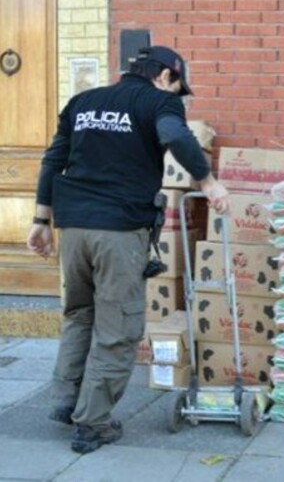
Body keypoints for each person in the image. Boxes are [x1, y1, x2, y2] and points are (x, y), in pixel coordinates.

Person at [26, 46, 230, 454]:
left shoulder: (83, 102)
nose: (177, 96)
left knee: (79, 315)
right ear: (166, 75)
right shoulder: (158, 102)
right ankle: (93, 424)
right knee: (117, 327)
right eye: (178, 87)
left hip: (74, 228)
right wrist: (207, 182)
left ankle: (67, 401)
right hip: (118, 229)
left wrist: (40, 220)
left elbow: (54, 159)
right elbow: (175, 136)